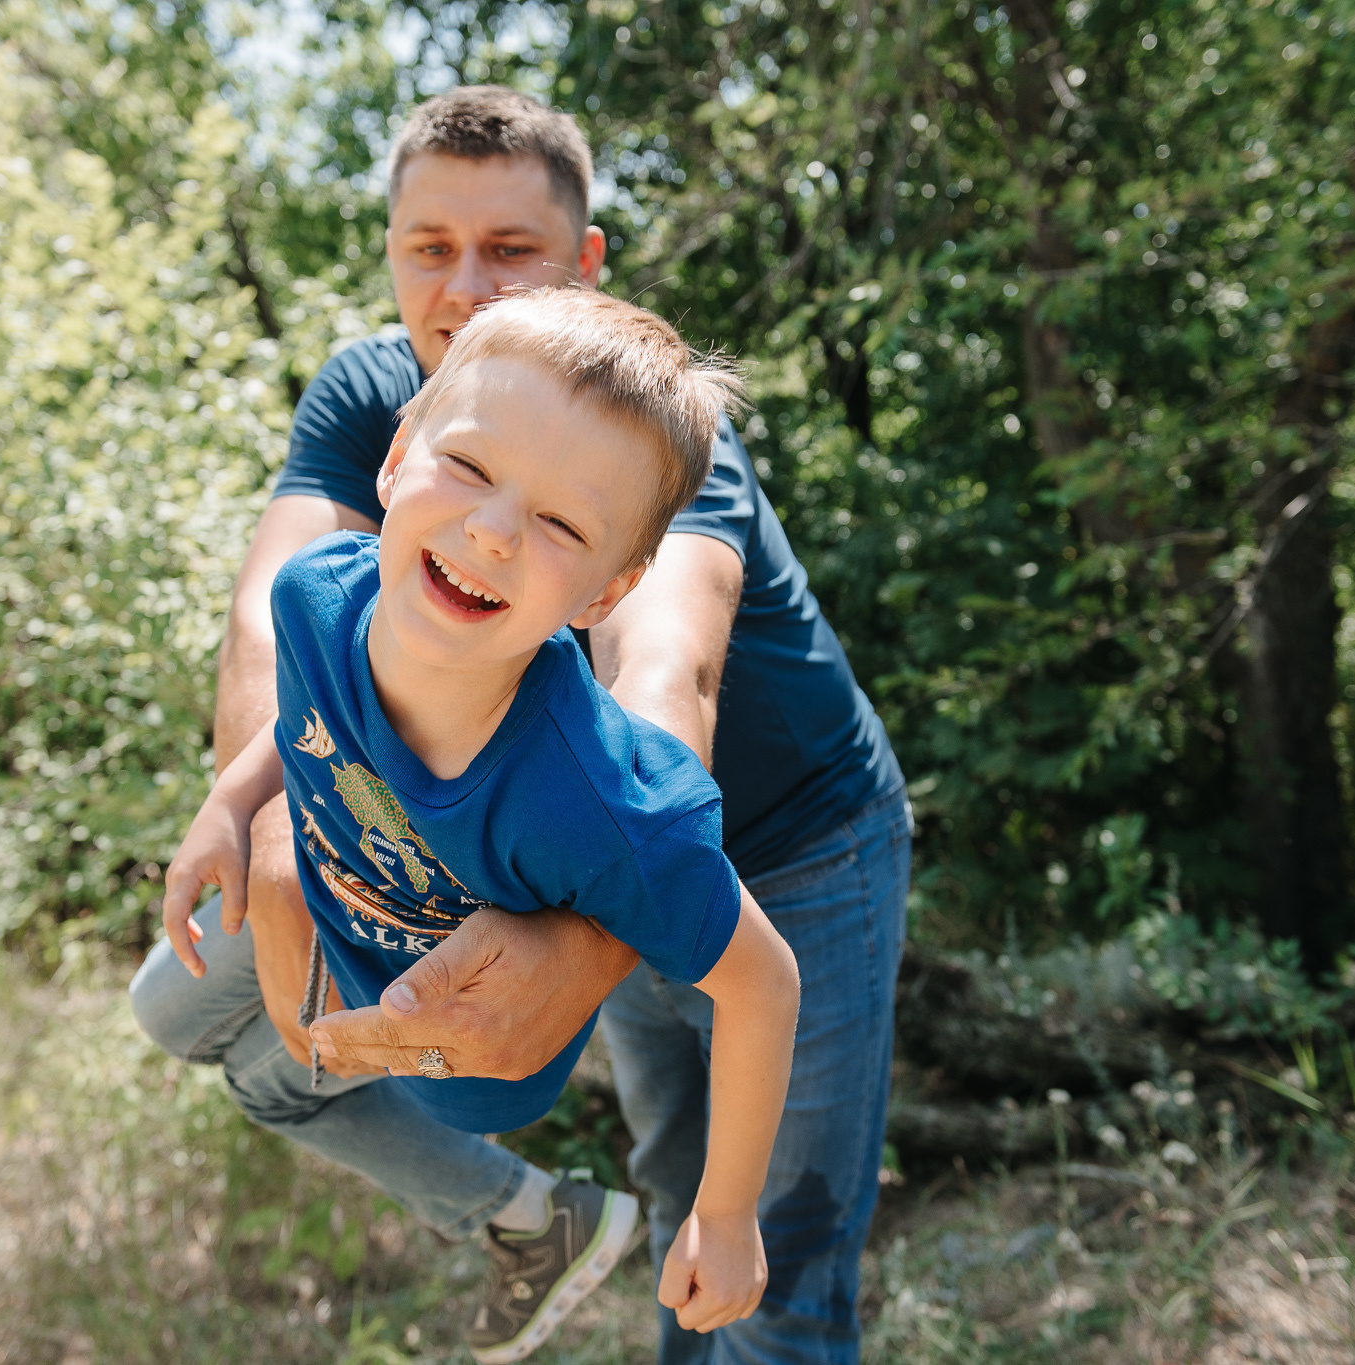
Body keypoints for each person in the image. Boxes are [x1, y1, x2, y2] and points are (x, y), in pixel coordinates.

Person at [130, 85, 910, 1362]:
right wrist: (263, 810)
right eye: (431, 248)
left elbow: (663, 680)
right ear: (388, 254)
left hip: (781, 844)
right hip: (544, 847)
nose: (469, 289)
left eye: (514, 251)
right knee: (674, 1178)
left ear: (586, 264)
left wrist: (599, 919)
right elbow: (281, 623)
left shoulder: (648, 434)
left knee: (775, 1247)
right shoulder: (385, 403)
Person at [154, 287, 801, 1363]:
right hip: (335, 911)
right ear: (397, 453)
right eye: (466, 467)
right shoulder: (319, 592)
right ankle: (525, 1217)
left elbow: (762, 981)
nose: (491, 532)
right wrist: (229, 804)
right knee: (163, 1014)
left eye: (559, 525)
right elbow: (308, 704)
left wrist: (725, 1214)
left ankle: (536, 1218)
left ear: (609, 588)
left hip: (461, 1047)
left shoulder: (602, 802)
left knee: (276, 1084)